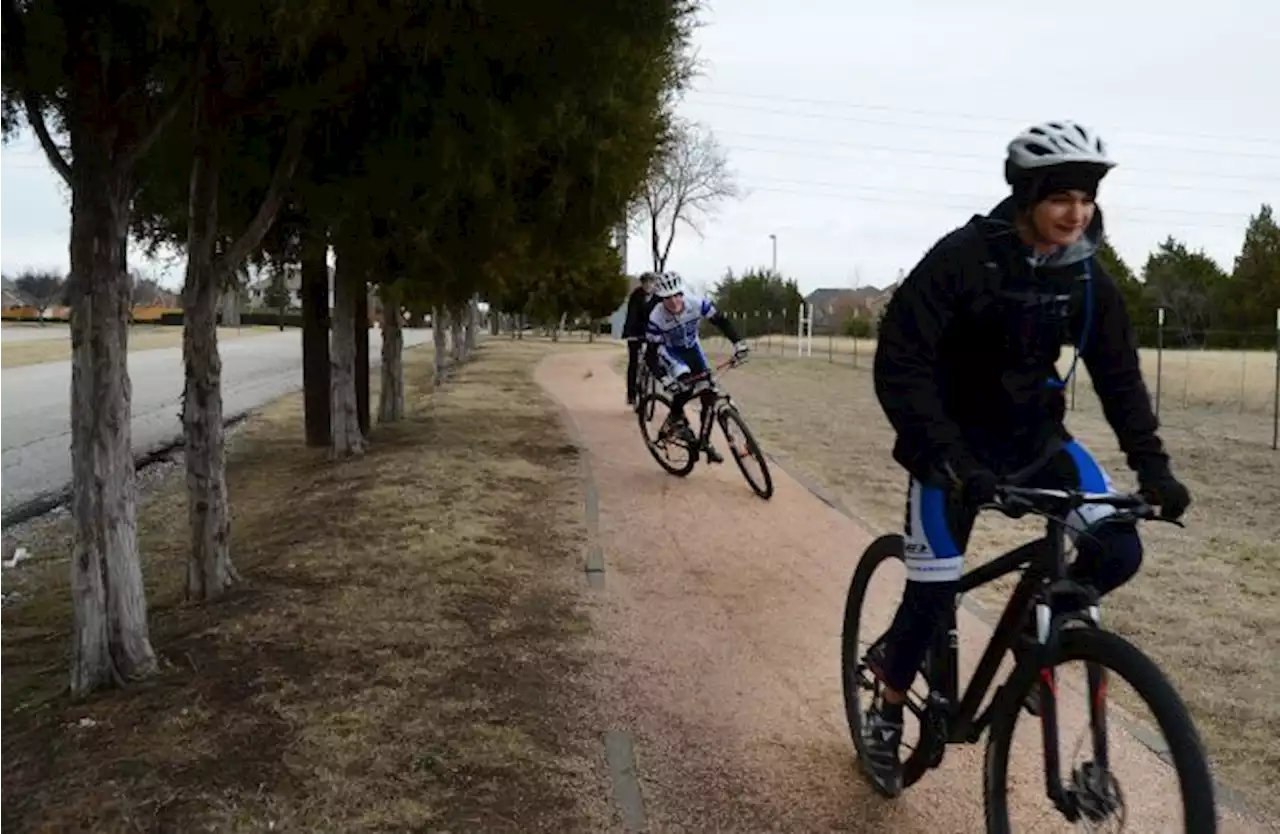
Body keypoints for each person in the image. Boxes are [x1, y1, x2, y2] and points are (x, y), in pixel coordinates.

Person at [861, 120, 1192, 797]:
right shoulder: (963, 258)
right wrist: (945, 455)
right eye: (1060, 198)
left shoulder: (1087, 280)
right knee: (931, 593)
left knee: (1118, 550)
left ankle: (1031, 637)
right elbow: (901, 360)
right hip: (949, 448)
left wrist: (1152, 466)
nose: (1077, 213)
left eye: (1087, 198)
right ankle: (888, 705)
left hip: (1034, 442)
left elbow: (1119, 376)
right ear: (1028, 197)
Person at [643, 270, 750, 463]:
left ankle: (705, 441)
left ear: (682, 293)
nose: (674, 301)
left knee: (708, 392)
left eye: (677, 295)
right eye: (668, 298)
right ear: (661, 299)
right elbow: (651, 354)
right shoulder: (656, 318)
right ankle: (675, 418)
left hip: (693, 348)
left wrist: (739, 343)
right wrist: (664, 379)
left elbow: (721, 321)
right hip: (671, 352)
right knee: (685, 383)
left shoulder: (696, 303)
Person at [623, 271, 661, 405]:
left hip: (653, 332)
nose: (648, 285)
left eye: (651, 282)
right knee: (633, 362)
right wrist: (629, 333)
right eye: (645, 282)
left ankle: (652, 386)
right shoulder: (636, 295)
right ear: (642, 283)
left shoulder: (659, 298)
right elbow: (631, 314)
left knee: (654, 359)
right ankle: (631, 394)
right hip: (635, 332)